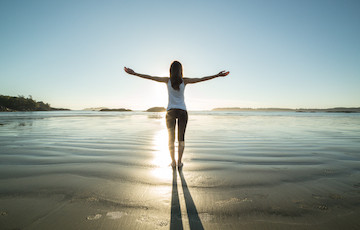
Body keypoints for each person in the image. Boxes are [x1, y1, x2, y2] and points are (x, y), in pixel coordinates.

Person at [124, 61, 229, 169]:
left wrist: (134, 73)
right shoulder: (184, 81)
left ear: (171, 70)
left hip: (170, 112)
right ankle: (179, 162)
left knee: (171, 139)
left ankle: (173, 162)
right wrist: (217, 75)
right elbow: (201, 79)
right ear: (181, 70)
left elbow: (151, 77)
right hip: (182, 111)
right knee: (181, 139)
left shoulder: (167, 80)